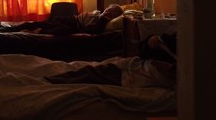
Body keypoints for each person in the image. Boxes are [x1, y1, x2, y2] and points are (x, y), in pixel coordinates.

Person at [46, 32, 177, 89]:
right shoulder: (171, 40)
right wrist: (149, 41)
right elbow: (143, 51)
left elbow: (170, 73)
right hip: (136, 64)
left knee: (91, 73)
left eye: (112, 11)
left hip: (138, 74)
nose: (109, 12)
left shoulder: (183, 56)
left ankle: (53, 80)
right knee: (92, 69)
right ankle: (56, 78)